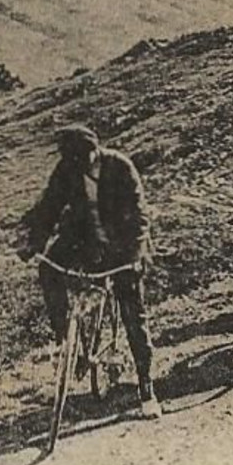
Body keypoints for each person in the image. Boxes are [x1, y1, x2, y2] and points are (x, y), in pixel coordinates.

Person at [14, 124, 162, 420]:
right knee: (49, 270)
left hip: (124, 247)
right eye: (72, 161)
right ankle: (65, 343)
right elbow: (50, 208)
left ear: (96, 151)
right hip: (86, 242)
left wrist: (132, 256)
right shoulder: (67, 168)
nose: (79, 166)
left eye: (84, 159)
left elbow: (139, 214)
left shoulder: (120, 167)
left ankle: (147, 390)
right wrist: (35, 243)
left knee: (133, 313)